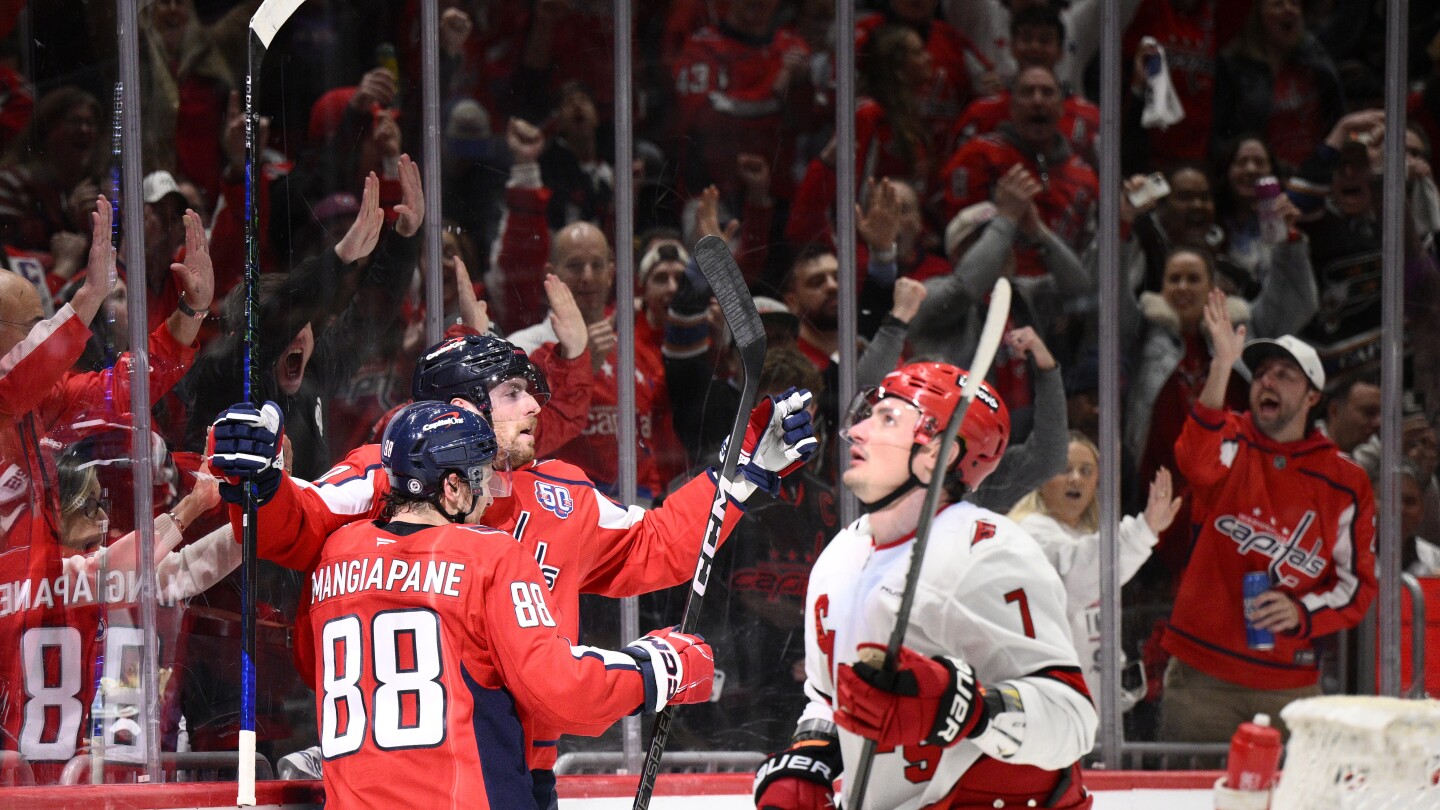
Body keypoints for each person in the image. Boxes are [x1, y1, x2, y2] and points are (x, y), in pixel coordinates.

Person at [208, 332, 817, 808]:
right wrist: (258, 486)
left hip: (522, 770)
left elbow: (655, 543)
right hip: (426, 759)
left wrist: (737, 477)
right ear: (459, 410)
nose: (534, 405)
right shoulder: (386, 472)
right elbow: (301, 519)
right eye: (510, 393)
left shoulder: (562, 492)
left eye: (530, 389)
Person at [309, 401, 714, 809]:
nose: (489, 496)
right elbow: (560, 690)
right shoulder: (487, 554)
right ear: (451, 487)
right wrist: (658, 670)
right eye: (483, 479)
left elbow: (312, 666)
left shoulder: (336, 553)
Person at [754, 362, 1095, 809]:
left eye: (887, 419)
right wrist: (809, 759)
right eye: (868, 414)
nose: (857, 432)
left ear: (939, 454)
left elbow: (1072, 721)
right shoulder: (839, 558)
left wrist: (969, 709)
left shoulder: (989, 553)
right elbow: (827, 698)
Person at [1159, 294, 1377, 742]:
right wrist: (1222, 364)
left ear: (1313, 396)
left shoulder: (1346, 482)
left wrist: (1301, 611)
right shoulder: (1231, 439)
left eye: (1284, 375)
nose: (1266, 382)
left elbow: (1356, 586)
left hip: (1289, 686)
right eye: (1259, 374)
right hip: (1203, 678)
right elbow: (1194, 462)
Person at [1008, 432, 1181, 713]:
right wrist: (1143, 530)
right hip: (1048, 705)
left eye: (1086, 471)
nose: (1076, 478)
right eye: (1065, 470)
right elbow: (1077, 573)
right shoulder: (1029, 533)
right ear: (1041, 478)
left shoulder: (1083, 535)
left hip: (1088, 708)